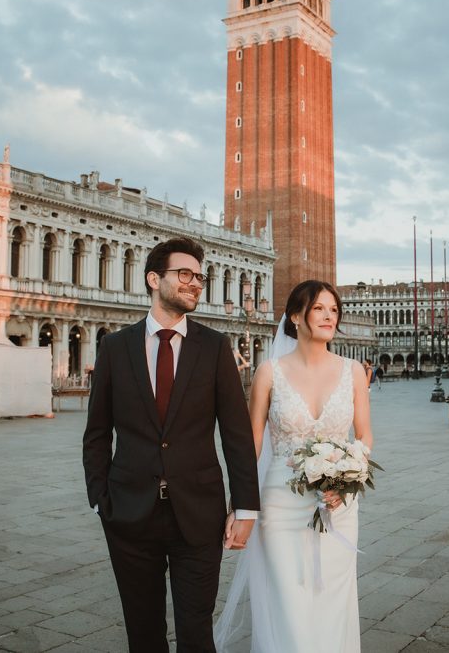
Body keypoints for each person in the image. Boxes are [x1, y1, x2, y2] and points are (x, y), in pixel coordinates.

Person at [83, 237, 260, 652]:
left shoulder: (215, 347)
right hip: (128, 512)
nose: (196, 283)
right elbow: (96, 432)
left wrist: (246, 507)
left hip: (198, 514)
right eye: (185, 274)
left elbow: (236, 434)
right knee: (142, 632)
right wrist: (99, 498)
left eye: (199, 277)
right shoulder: (115, 347)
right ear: (153, 279)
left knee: (197, 633)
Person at [215, 280, 374, 652]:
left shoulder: (353, 372)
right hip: (280, 502)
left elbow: (364, 436)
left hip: (337, 503)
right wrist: (239, 506)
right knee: (288, 597)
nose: (328, 316)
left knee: (335, 595)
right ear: (295, 316)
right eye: (319, 308)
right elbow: (251, 445)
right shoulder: (270, 373)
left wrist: (347, 478)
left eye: (334, 310)